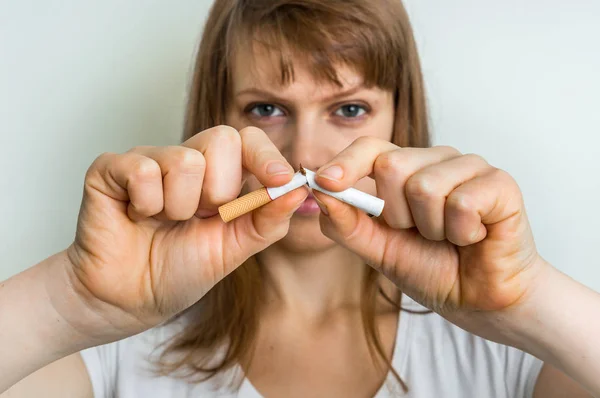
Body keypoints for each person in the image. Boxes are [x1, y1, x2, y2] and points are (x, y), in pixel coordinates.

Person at [1, 0, 598, 397]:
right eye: (267, 108)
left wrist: (529, 299)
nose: (306, 152)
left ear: (401, 120)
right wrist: (70, 303)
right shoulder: (117, 350)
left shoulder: (505, 349)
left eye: (348, 109)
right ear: (219, 120)